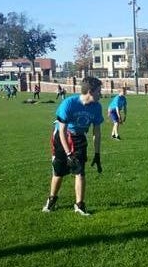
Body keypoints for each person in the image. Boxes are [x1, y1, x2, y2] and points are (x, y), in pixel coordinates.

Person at [42, 76, 104, 216]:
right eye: (99, 91)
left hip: (79, 138)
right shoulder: (69, 103)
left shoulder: (97, 107)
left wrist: (97, 154)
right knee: (59, 172)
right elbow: (62, 131)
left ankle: (80, 205)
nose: (101, 94)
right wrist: (68, 154)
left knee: (80, 172)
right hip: (63, 138)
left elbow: (97, 132)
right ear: (90, 91)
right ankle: (51, 200)